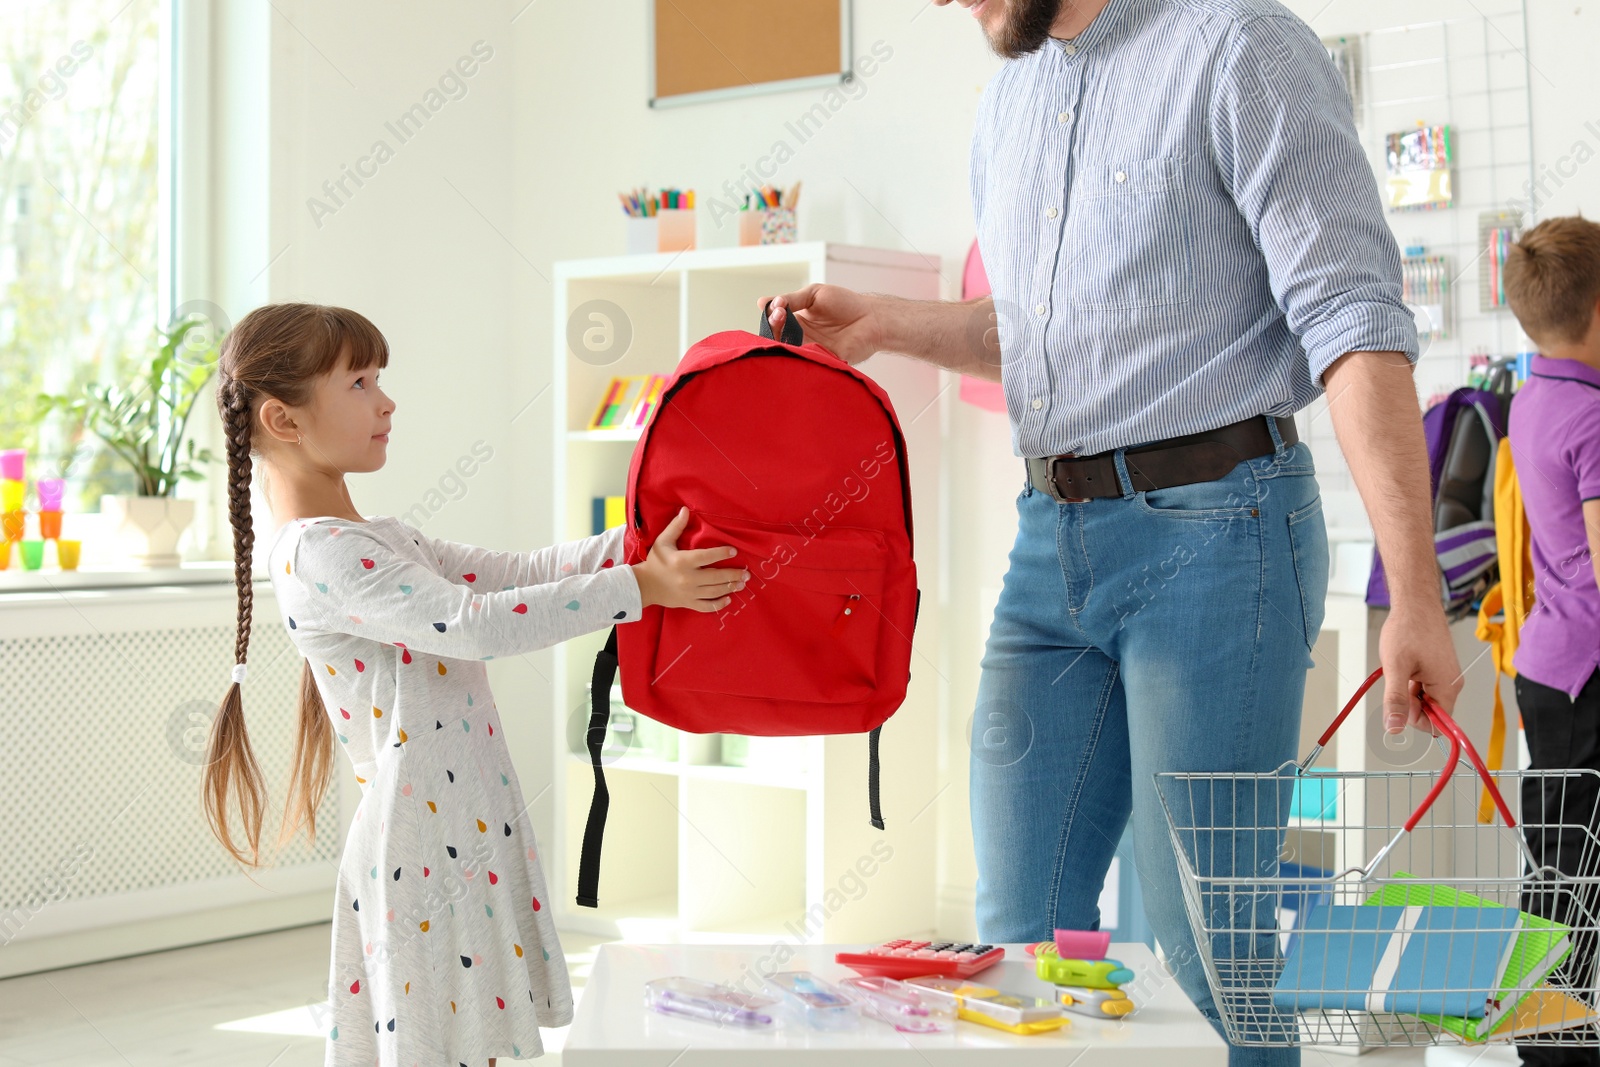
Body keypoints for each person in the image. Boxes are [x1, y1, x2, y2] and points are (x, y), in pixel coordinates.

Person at [761, 0, 1462, 1062]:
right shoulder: (1010, 102)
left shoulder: (1240, 48)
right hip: (1050, 541)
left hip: (1219, 531)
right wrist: (889, 325)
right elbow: (1049, 332)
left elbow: (1353, 321)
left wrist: (1416, 592)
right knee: (1018, 930)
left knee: (1203, 935)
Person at [200, 303, 744, 1065]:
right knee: (439, 1041)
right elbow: (476, 622)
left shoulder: (379, 538)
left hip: (464, 819)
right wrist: (640, 586)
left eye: (379, 379)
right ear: (284, 421)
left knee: (474, 1037)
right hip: (419, 847)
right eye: (359, 383)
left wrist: (631, 545)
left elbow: (514, 576)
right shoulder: (317, 556)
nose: (386, 401)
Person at [1503, 216, 1600, 1067]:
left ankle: (1551, 1039)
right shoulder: (1596, 418)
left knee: (1561, 863)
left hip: (1548, 664)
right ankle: (1565, 1047)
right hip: (1589, 671)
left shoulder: (1535, 397)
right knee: (1584, 875)